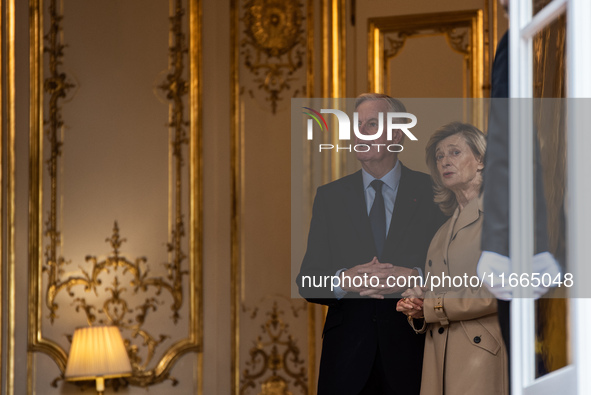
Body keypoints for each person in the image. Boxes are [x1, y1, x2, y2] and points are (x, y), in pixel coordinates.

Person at [297, 93, 446, 394]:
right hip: (346, 362)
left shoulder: (435, 193)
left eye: (371, 124)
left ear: (397, 133)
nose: (359, 133)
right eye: (357, 125)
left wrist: (416, 277)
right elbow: (308, 281)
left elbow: (459, 271)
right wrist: (344, 280)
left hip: (413, 354)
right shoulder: (330, 197)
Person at [397, 122, 508, 395]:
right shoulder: (440, 233)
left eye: (455, 152)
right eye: (439, 156)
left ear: (481, 160)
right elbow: (436, 298)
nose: (445, 161)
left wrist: (432, 306)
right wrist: (417, 303)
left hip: (481, 358)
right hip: (437, 361)